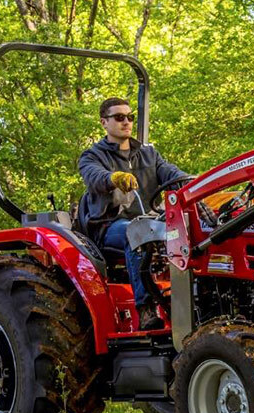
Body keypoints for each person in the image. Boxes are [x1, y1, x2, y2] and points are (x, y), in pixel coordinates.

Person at [77, 97, 189, 330]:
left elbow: (172, 174)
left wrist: (194, 183)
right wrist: (113, 178)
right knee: (137, 232)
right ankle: (146, 309)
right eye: (119, 117)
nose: (126, 122)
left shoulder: (149, 154)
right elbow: (95, 176)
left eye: (130, 117)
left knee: (192, 227)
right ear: (104, 122)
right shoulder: (91, 156)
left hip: (150, 221)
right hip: (109, 226)